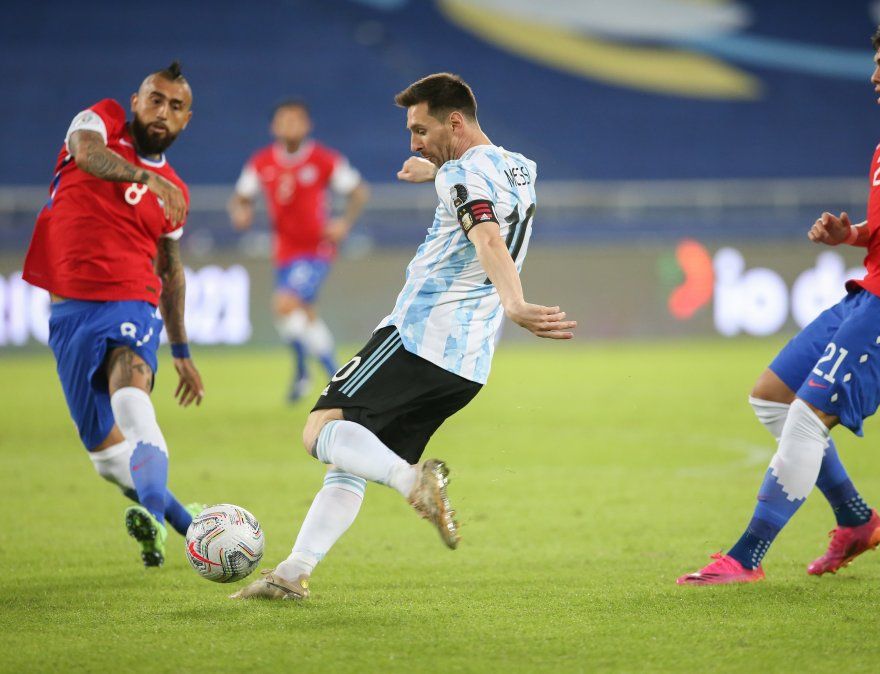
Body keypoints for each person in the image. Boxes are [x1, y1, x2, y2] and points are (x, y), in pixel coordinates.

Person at [677, 20, 880, 585]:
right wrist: (848, 234)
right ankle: (855, 522)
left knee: (807, 419)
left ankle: (745, 558)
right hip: (866, 294)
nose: (874, 76)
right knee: (772, 398)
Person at [232, 72, 576, 600]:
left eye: (420, 130)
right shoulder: (518, 167)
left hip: (417, 337)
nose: (412, 141)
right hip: (466, 367)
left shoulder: (457, 177)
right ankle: (293, 573)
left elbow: (485, 234)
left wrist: (514, 301)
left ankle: (414, 482)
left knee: (320, 431)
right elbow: (480, 195)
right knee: (350, 460)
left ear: (454, 122)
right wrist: (433, 168)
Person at [22, 62, 206, 567]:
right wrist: (145, 177)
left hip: (130, 297)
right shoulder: (99, 123)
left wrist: (183, 350)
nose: (162, 111)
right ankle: (184, 522)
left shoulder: (176, 193)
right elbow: (86, 155)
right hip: (69, 311)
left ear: (187, 119)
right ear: (135, 101)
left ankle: (190, 531)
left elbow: (171, 272)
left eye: (175, 106)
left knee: (130, 385)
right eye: (155, 99)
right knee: (106, 458)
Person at [228, 100, 371, 402]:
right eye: (284, 120)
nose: (290, 126)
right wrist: (240, 212)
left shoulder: (323, 159)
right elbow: (240, 197)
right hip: (284, 252)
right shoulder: (261, 162)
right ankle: (329, 377)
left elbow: (358, 191)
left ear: (307, 125)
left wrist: (343, 222)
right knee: (303, 317)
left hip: (317, 249)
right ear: (273, 127)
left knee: (284, 305)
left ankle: (317, 374)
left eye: (296, 120)